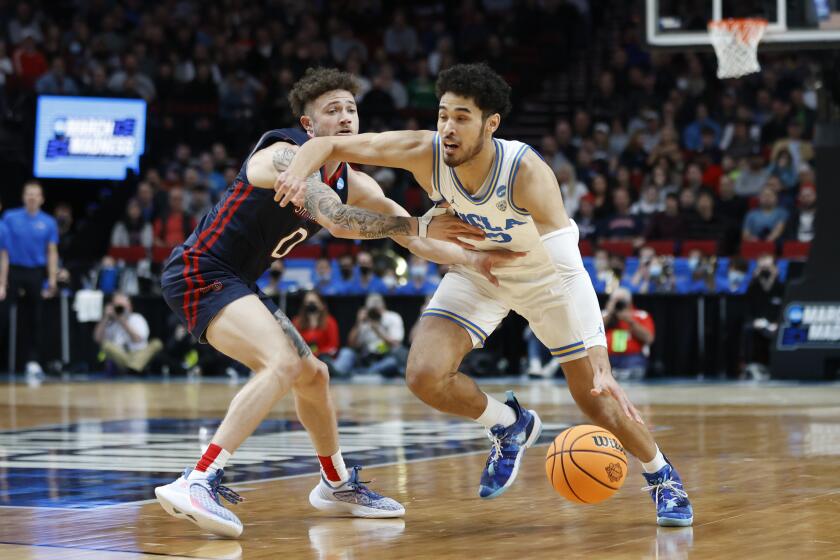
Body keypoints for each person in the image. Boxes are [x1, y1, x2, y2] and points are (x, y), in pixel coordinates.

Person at [276, 63, 693, 526]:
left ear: (490, 123)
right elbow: (324, 144)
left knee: (595, 396)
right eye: (442, 116)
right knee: (424, 375)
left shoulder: (526, 171)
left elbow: (571, 271)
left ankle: (662, 476)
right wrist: (296, 175)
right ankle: (508, 424)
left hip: (546, 278)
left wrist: (601, 360)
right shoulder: (424, 151)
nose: (448, 129)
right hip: (479, 270)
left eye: (462, 117)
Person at [154, 67, 513, 538]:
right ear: (309, 127)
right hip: (200, 271)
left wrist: (475, 259)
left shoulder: (355, 181)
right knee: (281, 364)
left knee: (313, 375)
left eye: (351, 108)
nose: (346, 118)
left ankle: (336, 483)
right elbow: (338, 217)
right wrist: (417, 227)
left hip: (236, 280)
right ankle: (198, 478)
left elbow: (416, 238)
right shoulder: (281, 153)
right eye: (332, 110)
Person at [0, 181, 59, 378]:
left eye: (36, 194)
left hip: (35, 271)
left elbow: (52, 251)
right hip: (13, 270)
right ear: (23, 197)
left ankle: (33, 361)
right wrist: (2, 280)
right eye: (28, 194)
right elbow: (3, 251)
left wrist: (52, 278)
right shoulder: (9, 218)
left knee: (36, 317)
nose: (32, 197)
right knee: (2, 314)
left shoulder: (49, 222)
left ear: (41, 199)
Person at [333, 294, 406, 378]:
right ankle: (336, 371)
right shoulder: (365, 320)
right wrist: (358, 323)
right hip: (366, 358)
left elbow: (396, 345)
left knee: (392, 362)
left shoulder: (392, 317)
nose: (374, 313)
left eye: (377, 309)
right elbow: (351, 344)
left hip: (386, 356)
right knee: (346, 352)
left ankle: (364, 373)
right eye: (372, 310)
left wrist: (377, 330)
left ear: (383, 307)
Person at [93, 292, 162, 373]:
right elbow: (97, 339)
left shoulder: (137, 318)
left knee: (156, 343)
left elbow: (137, 339)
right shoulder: (111, 323)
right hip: (121, 356)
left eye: (122, 306)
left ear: (130, 307)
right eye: (117, 306)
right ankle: (133, 368)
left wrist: (122, 321)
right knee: (105, 345)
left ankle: (133, 367)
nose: (120, 309)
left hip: (139, 354)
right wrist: (105, 317)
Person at [742, 255, 784, 379]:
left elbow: (785, 308)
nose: (765, 270)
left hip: (776, 323)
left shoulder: (781, 287)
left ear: (775, 269)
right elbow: (746, 309)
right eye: (762, 267)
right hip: (757, 322)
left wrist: (777, 322)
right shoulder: (752, 287)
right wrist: (753, 321)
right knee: (748, 330)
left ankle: (777, 368)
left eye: (768, 267)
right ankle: (752, 366)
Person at [602, 288, 655, 379]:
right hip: (607, 357)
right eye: (615, 301)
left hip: (632, 357)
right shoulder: (603, 315)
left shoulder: (641, 315)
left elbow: (649, 339)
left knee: (634, 369)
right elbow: (594, 333)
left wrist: (630, 321)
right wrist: (609, 313)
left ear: (629, 302)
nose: (618, 304)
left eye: (621, 301)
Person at [292, 290, 339, 360]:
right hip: (303, 359)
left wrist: (318, 353)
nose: (310, 305)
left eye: (313, 303)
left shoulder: (329, 321)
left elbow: (333, 346)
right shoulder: (297, 321)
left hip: (324, 359)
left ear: (322, 305)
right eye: (307, 303)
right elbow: (292, 343)